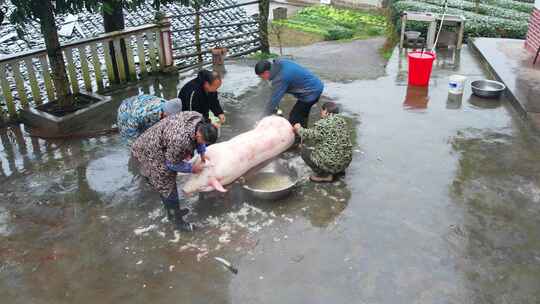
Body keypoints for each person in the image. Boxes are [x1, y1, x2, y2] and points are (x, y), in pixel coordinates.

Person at [131, 111, 218, 231]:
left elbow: (199, 142)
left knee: (168, 183)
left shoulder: (198, 118)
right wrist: (192, 168)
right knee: (167, 185)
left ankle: (173, 211)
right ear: (198, 135)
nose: (203, 144)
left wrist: (202, 153)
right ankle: (177, 222)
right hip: (150, 151)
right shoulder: (179, 140)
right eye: (203, 142)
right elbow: (172, 163)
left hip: (160, 139)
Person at [293, 102, 353, 182]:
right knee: (334, 148)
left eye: (322, 110)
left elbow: (309, 135)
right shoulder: (342, 122)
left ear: (326, 111)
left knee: (303, 151)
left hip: (332, 163)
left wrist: (298, 128)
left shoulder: (323, 123)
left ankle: (324, 175)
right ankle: (338, 171)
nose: (320, 113)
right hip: (345, 162)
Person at [255, 59, 324, 128]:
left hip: (311, 92)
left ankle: (300, 135)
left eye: (261, 76)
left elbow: (274, 100)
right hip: (314, 83)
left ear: (266, 72)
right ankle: (303, 128)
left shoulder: (280, 79)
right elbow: (276, 94)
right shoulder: (280, 62)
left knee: (294, 119)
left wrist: (262, 118)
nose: (262, 79)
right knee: (302, 114)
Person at [117, 95, 182, 143]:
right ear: (165, 114)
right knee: (134, 144)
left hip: (139, 105)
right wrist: (136, 142)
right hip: (127, 112)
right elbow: (131, 124)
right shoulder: (148, 113)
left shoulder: (168, 105)